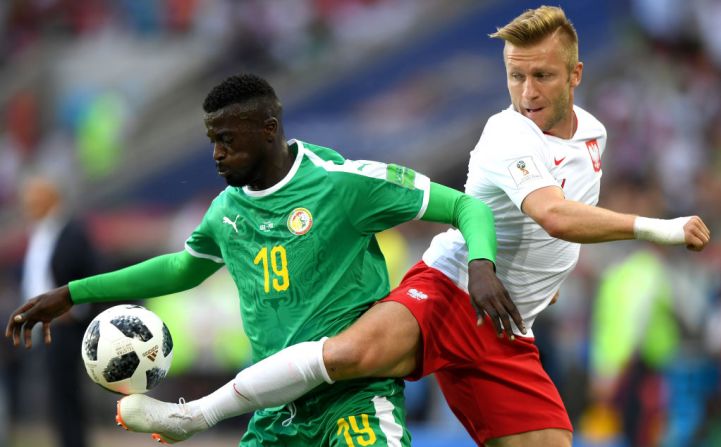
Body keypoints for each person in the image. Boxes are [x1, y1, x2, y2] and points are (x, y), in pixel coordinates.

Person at [84, 6, 711, 447]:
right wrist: (657, 227)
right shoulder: (505, 132)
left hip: (506, 324)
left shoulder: (595, 135)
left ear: (576, 75)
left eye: (541, 75)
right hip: (452, 285)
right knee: (353, 354)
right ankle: (195, 416)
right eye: (515, 75)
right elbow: (550, 213)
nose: (526, 92)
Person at [5, 73, 513, 446]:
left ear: (268, 129)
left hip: (353, 401)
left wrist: (482, 265)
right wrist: (73, 292)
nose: (217, 154)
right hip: (273, 412)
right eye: (212, 141)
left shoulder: (343, 183)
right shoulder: (227, 209)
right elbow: (182, 268)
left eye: (227, 140)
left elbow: (467, 205)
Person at [16, 175, 100, 447]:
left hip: (65, 327)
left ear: (52, 199)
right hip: (44, 325)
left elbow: (91, 274)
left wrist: (75, 311)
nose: (28, 206)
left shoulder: (72, 232)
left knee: (67, 395)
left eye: (35, 199)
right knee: (57, 396)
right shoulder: (42, 232)